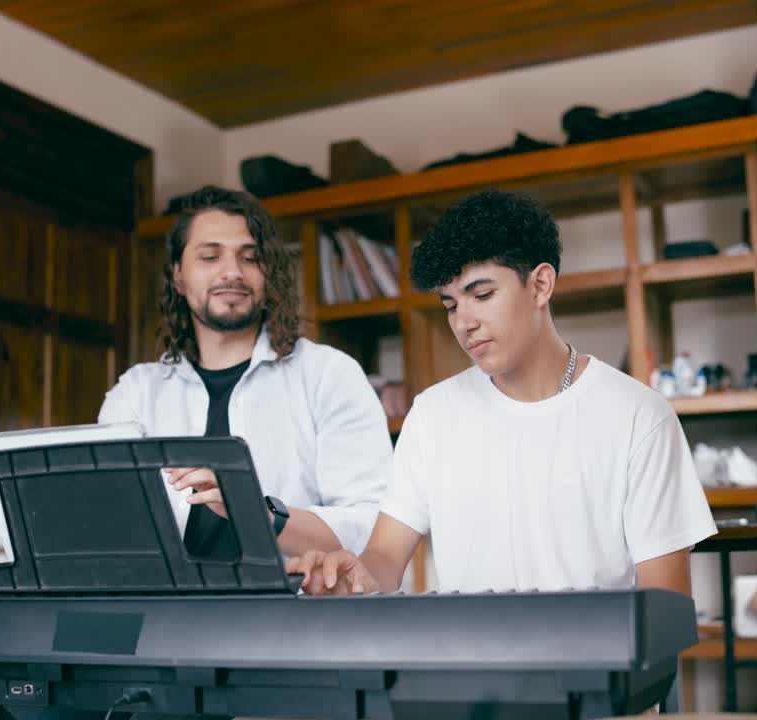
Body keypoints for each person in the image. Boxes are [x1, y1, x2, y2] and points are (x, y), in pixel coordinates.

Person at [288, 189, 716, 596]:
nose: (463, 322)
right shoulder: (434, 415)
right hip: (468, 667)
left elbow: (665, 604)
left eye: (483, 294)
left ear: (541, 285)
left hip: (593, 670)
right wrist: (355, 577)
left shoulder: (637, 415)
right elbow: (383, 558)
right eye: (451, 305)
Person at [98, 185, 391, 560]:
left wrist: (255, 511)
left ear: (267, 273)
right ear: (178, 277)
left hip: (292, 613)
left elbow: (371, 529)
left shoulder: (328, 375)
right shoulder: (135, 394)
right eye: (210, 257)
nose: (232, 272)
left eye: (250, 258)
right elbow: (108, 519)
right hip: (167, 614)